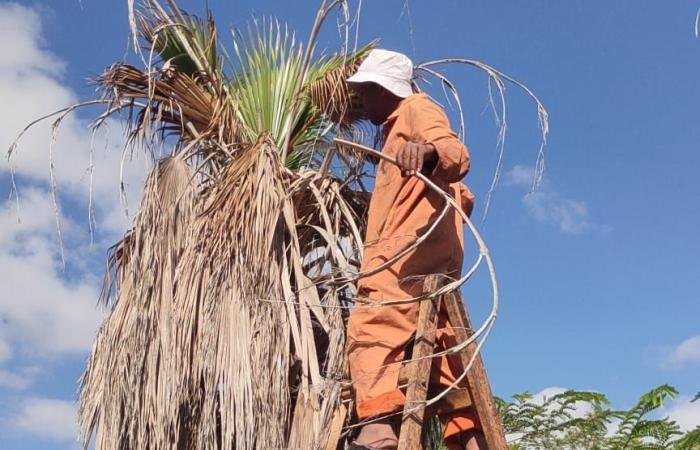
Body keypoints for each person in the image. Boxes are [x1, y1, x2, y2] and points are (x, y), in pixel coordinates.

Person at [345, 49, 487, 450]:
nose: (363, 100)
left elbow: (455, 155)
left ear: (383, 88)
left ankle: (375, 428)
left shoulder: (416, 109)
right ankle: (469, 437)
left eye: (367, 91)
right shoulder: (395, 128)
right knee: (444, 345)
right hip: (433, 251)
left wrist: (426, 153)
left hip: (407, 249)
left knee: (373, 320)